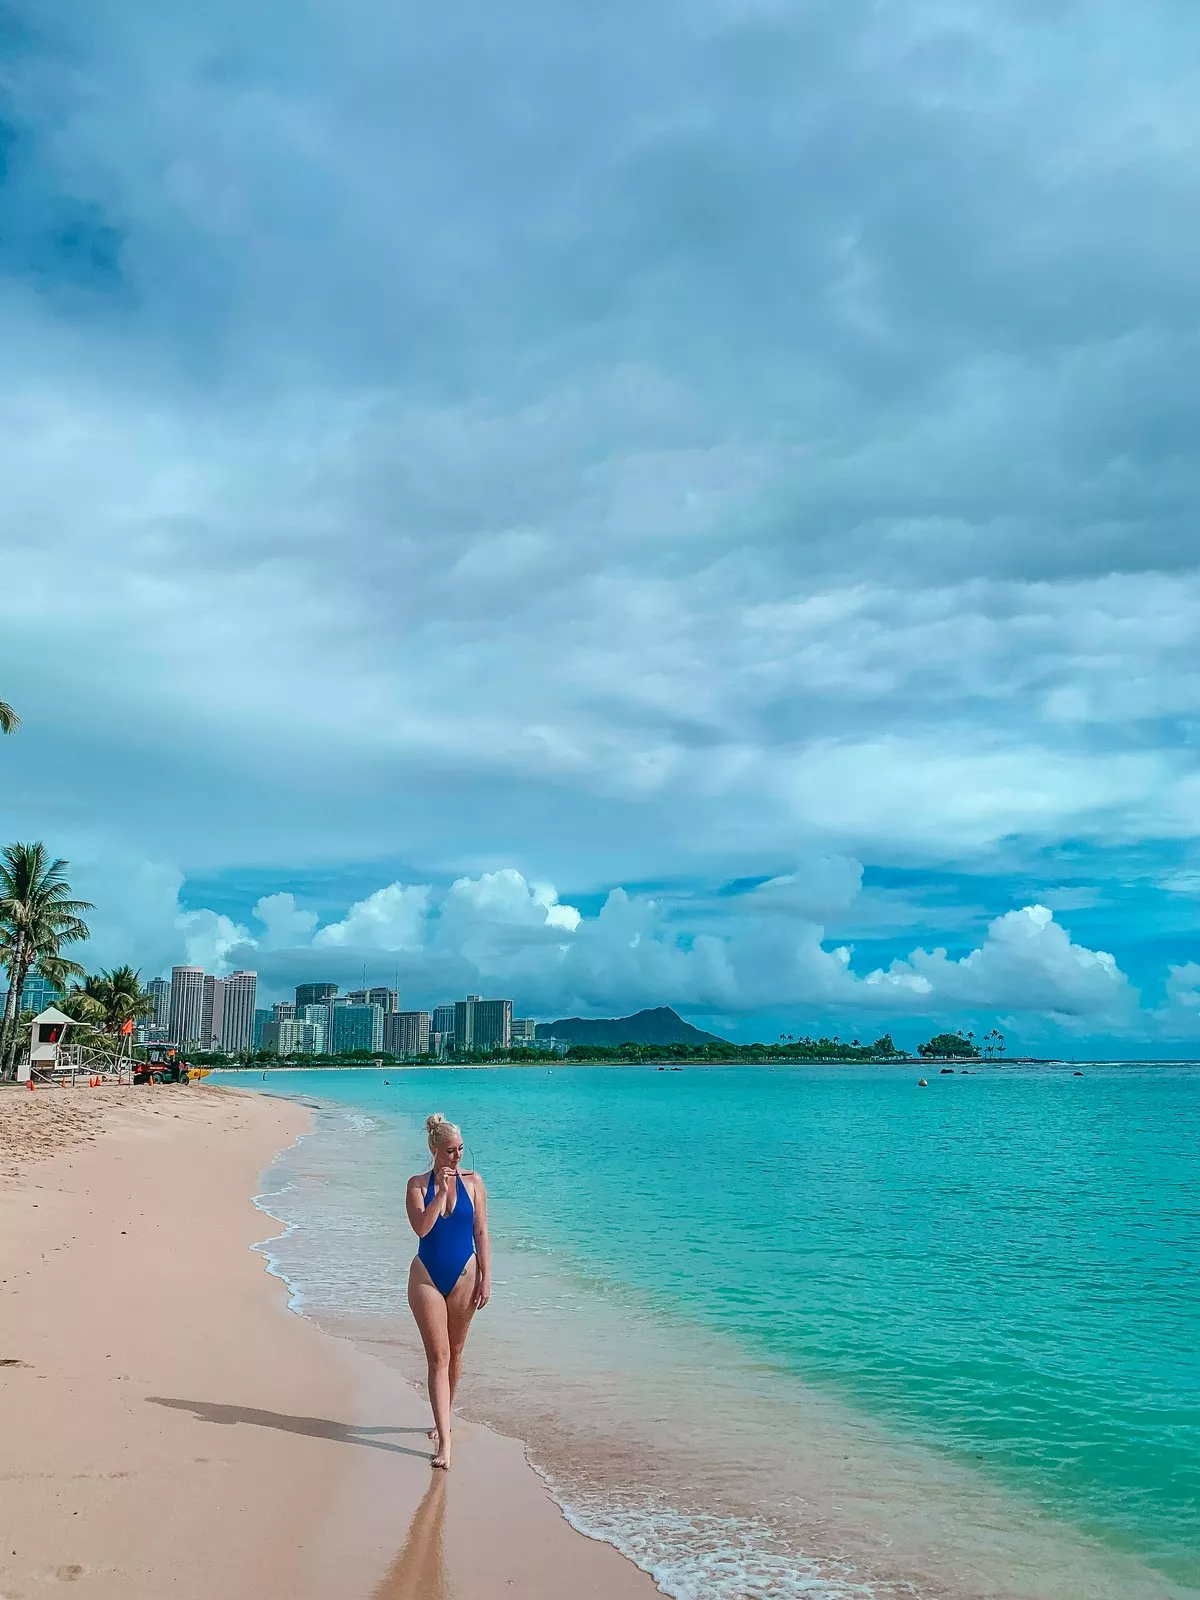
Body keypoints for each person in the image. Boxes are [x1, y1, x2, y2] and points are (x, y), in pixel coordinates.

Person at [406, 1113, 491, 1469]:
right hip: (426, 1275)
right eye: (450, 1151)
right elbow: (422, 1229)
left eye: (460, 1150)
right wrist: (439, 1193)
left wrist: (487, 1276)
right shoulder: (416, 1184)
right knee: (438, 1357)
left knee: (456, 1352)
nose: (457, 1156)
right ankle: (445, 1441)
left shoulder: (474, 1183)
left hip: (465, 1275)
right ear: (434, 1149)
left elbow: (481, 1232)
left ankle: (444, 1418)